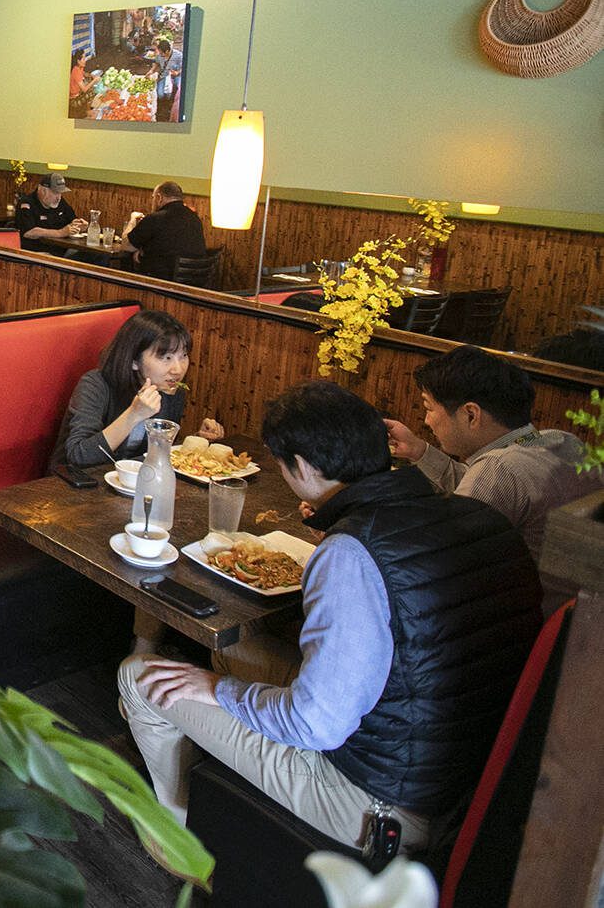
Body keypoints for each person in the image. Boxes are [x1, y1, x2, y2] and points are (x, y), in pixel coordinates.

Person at [119, 381, 541, 851]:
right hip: (473, 780)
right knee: (231, 650)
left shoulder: (352, 553)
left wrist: (218, 691)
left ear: (299, 468)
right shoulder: (481, 516)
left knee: (140, 677)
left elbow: (316, 724)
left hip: (379, 805)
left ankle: (176, 844)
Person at [384, 346, 595, 562]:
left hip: (536, 594)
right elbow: (479, 489)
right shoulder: (562, 439)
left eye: (428, 408)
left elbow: (444, 554)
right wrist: (418, 451)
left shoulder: (498, 469)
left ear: (471, 415)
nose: (427, 421)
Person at [51, 309, 224, 468]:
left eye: (183, 356)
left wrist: (198, 441)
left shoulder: (171, 390)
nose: (178, 369)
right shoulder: (95, 384)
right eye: (166, 357)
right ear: (134, 360)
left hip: (133, 485)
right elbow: (78, 456)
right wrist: (134, 414)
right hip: (74, 488)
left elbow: (160, 453)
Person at [119, 181, 207, 279]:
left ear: (159, 198)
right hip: (193, 282)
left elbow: (126, 246)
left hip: (160, 282)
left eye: (153, 198)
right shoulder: (194, 218)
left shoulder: (155, 218)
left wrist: (132, 220)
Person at [14, 171, 84, 248]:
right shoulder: (27, 203)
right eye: (56, 193)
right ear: (43, 191)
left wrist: (79, 225)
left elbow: (72, 220)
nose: (59, 197)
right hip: (37, 252)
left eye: (60, 193)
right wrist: (60, 233)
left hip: (60, 248)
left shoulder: (59, 201)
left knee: (92, 256)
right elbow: (29, 232)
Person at [149, 36, 183, 121]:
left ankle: (170, 105)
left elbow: (184, 66)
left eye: (162, 53)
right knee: (160, 94)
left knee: (176, 88)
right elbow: (156, 63)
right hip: (164, 76)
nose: (160, 54)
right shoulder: (159, 55)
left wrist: (177, 72)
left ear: (167, 51)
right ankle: (162, 106)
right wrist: (151, 70)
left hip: (175, 76)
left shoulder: (178, 55)